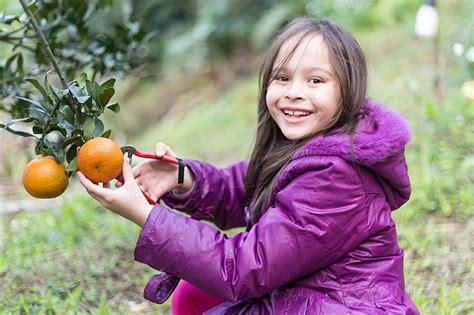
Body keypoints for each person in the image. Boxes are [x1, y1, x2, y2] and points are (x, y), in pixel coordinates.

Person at [78, 17, 420, 314]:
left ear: (348, 89)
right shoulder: (310, 146)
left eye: (315, 80)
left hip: (344, 306)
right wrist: (184, 177)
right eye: (282, 78)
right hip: (309, 293)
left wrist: (146, 215)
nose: (294, 92)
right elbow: (246, 187)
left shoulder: (338, 176)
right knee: (196, 293)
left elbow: (245, 268)